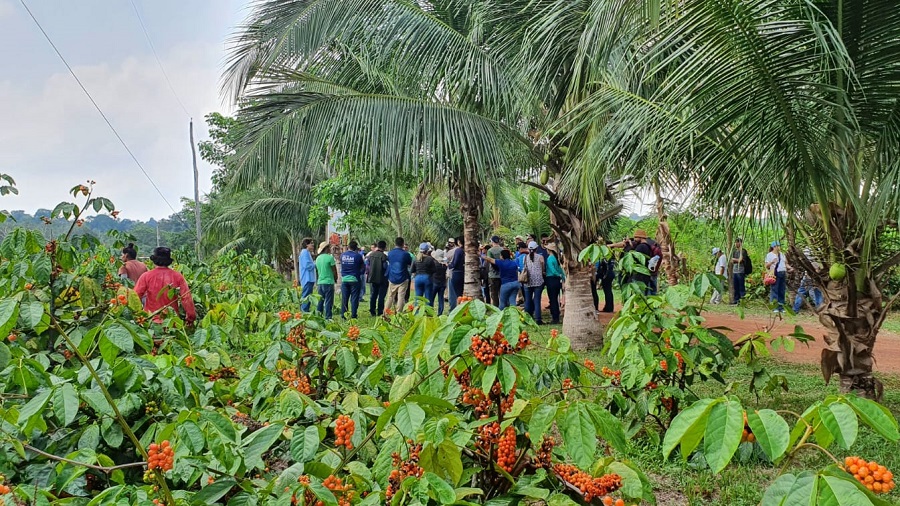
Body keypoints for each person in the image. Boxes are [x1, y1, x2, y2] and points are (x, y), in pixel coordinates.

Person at [134, 247, 195, 325]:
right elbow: (186, 297)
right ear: (168, 261)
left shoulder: (146, 276)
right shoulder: (178, 276)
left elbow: (135, 295)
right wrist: (190, 317)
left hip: (151, 321)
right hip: (172, 321)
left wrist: (136, 315)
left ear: (154, 260)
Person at [793, 247, 824, 313]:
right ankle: (820, 309)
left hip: (808, 275)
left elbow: (803, 262)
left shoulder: (806, 250)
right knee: (817, 293)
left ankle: (795, 309)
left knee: (802, 292)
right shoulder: (818, 250)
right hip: (815, 276)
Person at [386, 237, 413, 312]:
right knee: (401, 296)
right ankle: (399, 313)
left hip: (392, 277)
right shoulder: (406, 254)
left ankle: (386, 313)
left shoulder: (390, 253)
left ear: (395, 243)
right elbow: (410, 263)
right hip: (403, 277)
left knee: (390, 296)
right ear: (403, 244)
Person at [340, 241, 365, 318]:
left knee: (344, 298)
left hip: (344, 279)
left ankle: (343, 315)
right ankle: (353, 315)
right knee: (354, 298)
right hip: (354, 279)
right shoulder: (358, 256)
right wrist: (358, 273)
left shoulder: (342, 255)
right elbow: (363, 268)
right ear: (356, 248)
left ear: (348, 247)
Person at [522, 241, 546, 323]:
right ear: (536, 248)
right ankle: (538, 319)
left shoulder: (525, 257)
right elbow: (543, 268)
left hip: (528, 281)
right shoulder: (540, 257)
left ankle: (528, 319)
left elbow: (524, 267)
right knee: (537, 300)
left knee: (527, 301)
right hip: (538, 281)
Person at [315, 242, 337, 319]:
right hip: (329, 282)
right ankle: (328, 317)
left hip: (320, 282)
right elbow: (334, 270)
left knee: (320, 301)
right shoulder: (330, 258)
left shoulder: (318, 258)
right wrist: (336, 278)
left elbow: (317, 271)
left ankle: (319, 315)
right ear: (326, 248)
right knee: (328, 301)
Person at [765, 241, 789, 313]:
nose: (779, 247)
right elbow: (766, 265)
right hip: (775, 273)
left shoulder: (781, 254)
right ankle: (775, 307)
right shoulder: (769, 255)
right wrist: (772, 262)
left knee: (782, 290)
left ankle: (781, 307)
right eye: (778, 246)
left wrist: (789, 268)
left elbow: (786, 263)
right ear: (774, 247)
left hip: (783, 272)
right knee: (775, 290)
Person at [367, 241, 389, 316]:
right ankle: (380, 311)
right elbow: (385, 267)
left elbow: (368, 265)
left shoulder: (371, 255)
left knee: (373, 295)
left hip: (373, 278)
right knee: (381, 296)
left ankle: (372, 310)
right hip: (382, 278)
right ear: (384, 247)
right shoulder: (383, 256)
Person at [545, 244, 565, 324]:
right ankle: (556, 315)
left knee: (552, 299)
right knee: (556, 298)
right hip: (557, 281)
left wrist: (557, 274)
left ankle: (555, 317)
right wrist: (562, 277)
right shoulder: (556, 258)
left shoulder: (550, 258)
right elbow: (560, 269)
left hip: (551, 279)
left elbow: (552, 270)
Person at [731, 238, 751, 304]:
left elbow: (741, 260)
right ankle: (736, 300)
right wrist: (735, 260)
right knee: (735, 286)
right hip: (735, 270)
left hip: (740, 271)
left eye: (737, 242)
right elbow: (732, 261)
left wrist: (735, 260)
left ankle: (742, 300)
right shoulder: (734, 251)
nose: (736, 244)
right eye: (735, 242)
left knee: (741, 286)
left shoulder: (743, 251)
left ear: (740, 243)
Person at [299, 238, 316, 312]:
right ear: (306, 245)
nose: (313, 245)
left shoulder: (307, 252)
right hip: (307, 278)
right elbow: (307, 265)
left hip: (310, 278)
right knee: (306, 296)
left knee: (308, 296)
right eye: (311, 243)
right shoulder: (304, 252)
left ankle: (306, 311)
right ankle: (304, 312)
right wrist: (315, 264)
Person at [448, 237, 465, 309]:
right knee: (461, 293)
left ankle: (456, 309)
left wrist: (449, 265)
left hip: (456, 273)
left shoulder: (458, 250)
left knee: (456, 294)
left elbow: (454, 263)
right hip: (463, 272)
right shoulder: (466, 250)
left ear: (458, 242)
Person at [486, 235, 503, 306]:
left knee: (494, 294)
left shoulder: (490, 250)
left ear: (492, 241)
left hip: (493, 274)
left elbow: (489, 260)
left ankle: (496, 308)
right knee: (502, 293)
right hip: (502, 274)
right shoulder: (503, 249)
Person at [430, 249, 448, 314]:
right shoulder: (444, 265)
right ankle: (440, 312)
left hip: (434, 282)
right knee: (441, 299)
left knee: (431, 299)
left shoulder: (434, 264)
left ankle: (430, 312)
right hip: (442, 283)